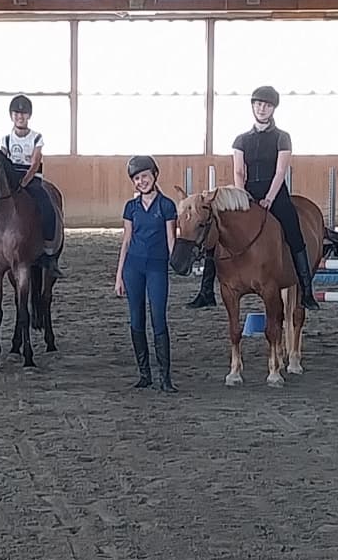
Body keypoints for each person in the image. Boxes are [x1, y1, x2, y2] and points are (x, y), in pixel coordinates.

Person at [187, 84, 318, 312]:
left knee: (294, 232)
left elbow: (280, 171)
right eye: (258, 104)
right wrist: (241, 196)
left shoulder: (282, 138)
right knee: (215, 230)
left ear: (273, 109)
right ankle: (206, 289)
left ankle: (306, 290)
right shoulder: (241, 140)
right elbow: (239, 171)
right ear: (253, 107)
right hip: (246, 194)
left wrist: (269, 198)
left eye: (267, 105)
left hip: (275, 194)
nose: (262, 109)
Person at [0, 94, 61, 274]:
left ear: (28, 116)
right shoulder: (6, 139)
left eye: (23, 114)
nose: (20, 117)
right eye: (16, 114)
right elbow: (1, 160)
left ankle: (49, 254)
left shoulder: (36, 137)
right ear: (11, 116)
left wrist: (25, 181)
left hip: (31, 180)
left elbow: (35, 162)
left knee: (46, 206)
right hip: (10, 179)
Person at [115, 155, 177, 392]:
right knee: (136, 319)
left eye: (145, 176)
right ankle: (144, 374)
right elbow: (126, 241)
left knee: (158, 318)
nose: (141, 181)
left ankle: (165, 377)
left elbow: (171, 239)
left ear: (154, 176)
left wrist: (176, 263)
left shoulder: (166, 206)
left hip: (157, 268)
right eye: (137, 178)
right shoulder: (130, 208)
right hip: (133, 268)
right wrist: (119, 275)